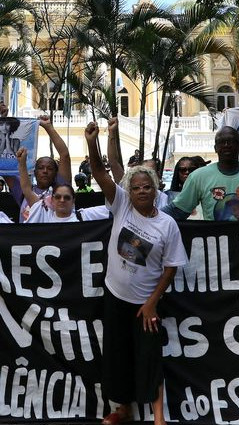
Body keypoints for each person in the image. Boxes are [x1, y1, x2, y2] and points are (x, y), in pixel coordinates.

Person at [84, 121, 187, 425]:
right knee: (118, 357)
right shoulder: (122, 206)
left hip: (146, 304)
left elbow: (170, 269)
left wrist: (153, 302)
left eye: (147, 187)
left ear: (156, 190)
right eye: (137, 187)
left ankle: (158, 417)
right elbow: (101, 173)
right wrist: (93, 142)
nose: (142, 191)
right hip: (116, 297)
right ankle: (122, 410)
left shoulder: (167, 225)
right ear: (129, 191)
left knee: (149, 358)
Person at [18, 147, 109, 223]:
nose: (62, 200)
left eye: (67, 197)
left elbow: (117, 208)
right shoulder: (44, 214)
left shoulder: (83, 216)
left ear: (73, 201)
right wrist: (22, 162)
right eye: (57, 197)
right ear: (51, 200)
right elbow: (26, 189)